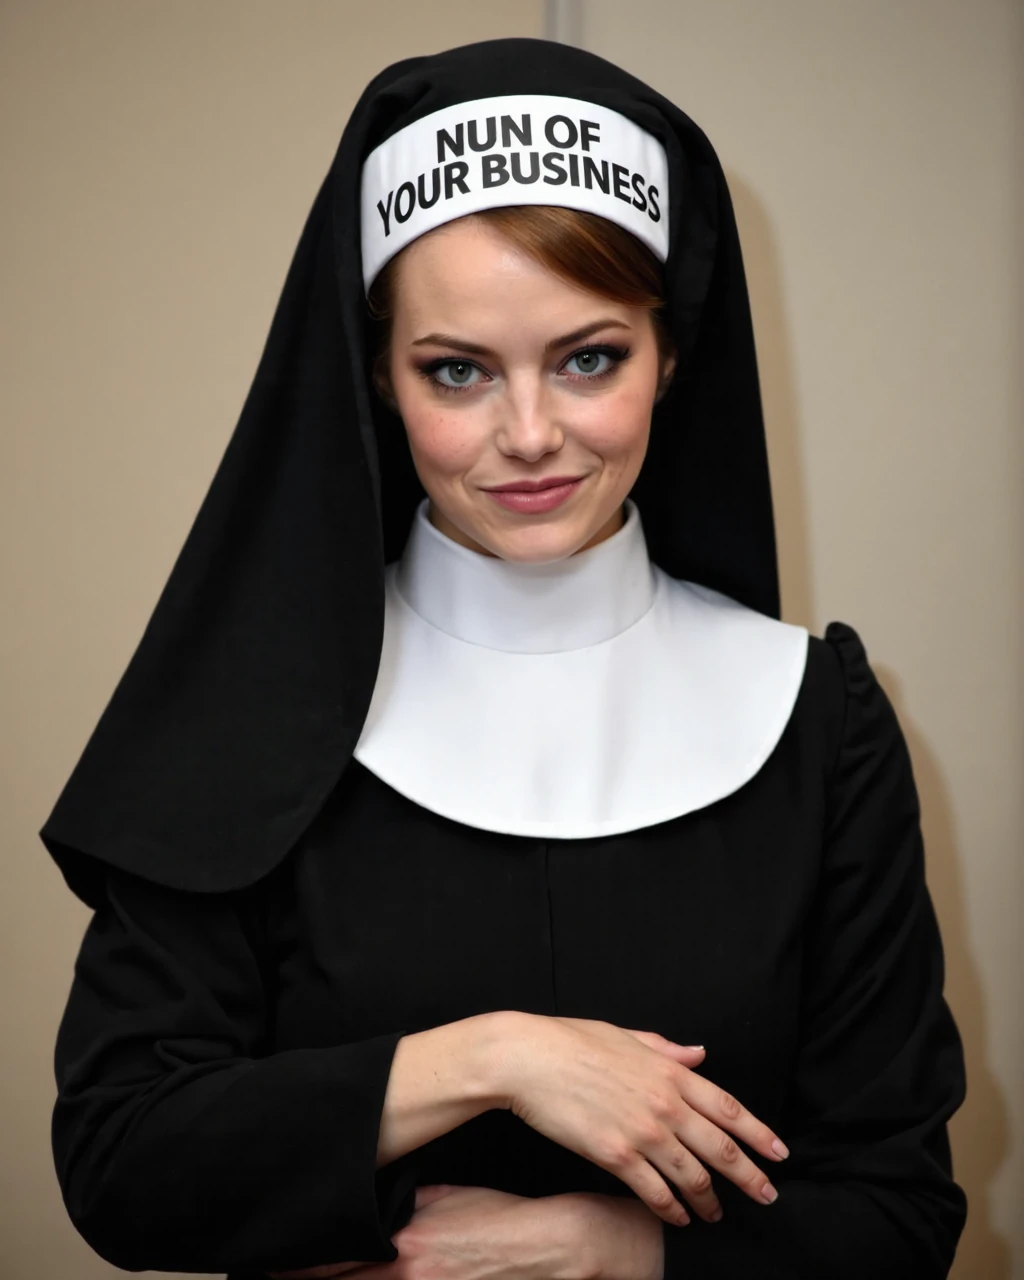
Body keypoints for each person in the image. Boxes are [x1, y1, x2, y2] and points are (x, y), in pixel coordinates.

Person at [40, 36, 967, 1280]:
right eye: (456, 371)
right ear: (378, 377)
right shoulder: (255, 711)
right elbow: (121, 1159)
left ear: (670, 353)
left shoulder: (819, 721)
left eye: (590, 358)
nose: (529, 436)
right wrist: (496, 1057)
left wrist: (607, 1248)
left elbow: (899, 1213)